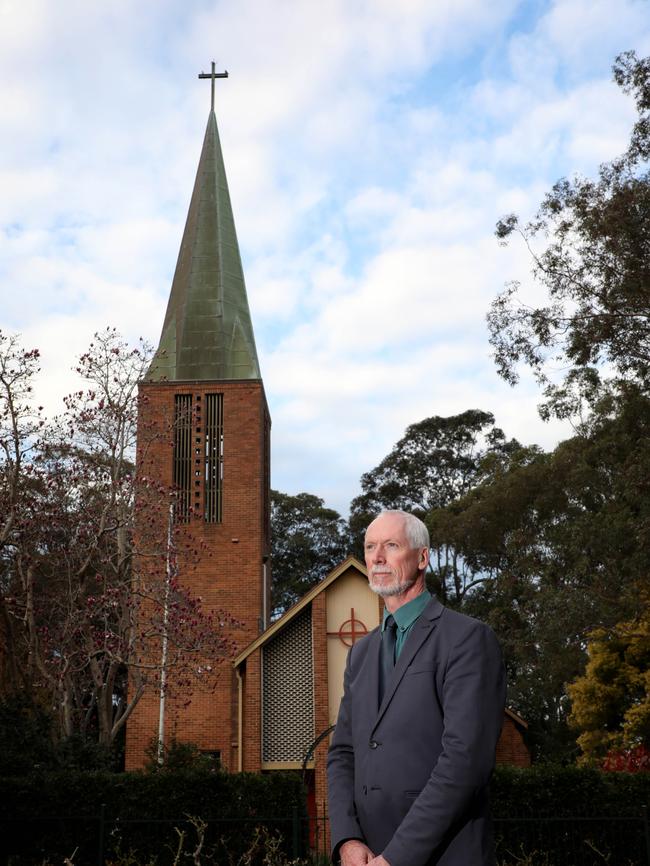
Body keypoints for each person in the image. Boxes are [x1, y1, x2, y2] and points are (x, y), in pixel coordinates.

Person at [327, 510, 505, 866]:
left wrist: (397, 856)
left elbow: (465, 762)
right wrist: (347, 839)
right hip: (367, 855)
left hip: (443, 855)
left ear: (422, 557)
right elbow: (343, 754)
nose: (376, 557)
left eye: (391, 546)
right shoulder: (361, 653)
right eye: (370, 547)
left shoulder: (467, 639)